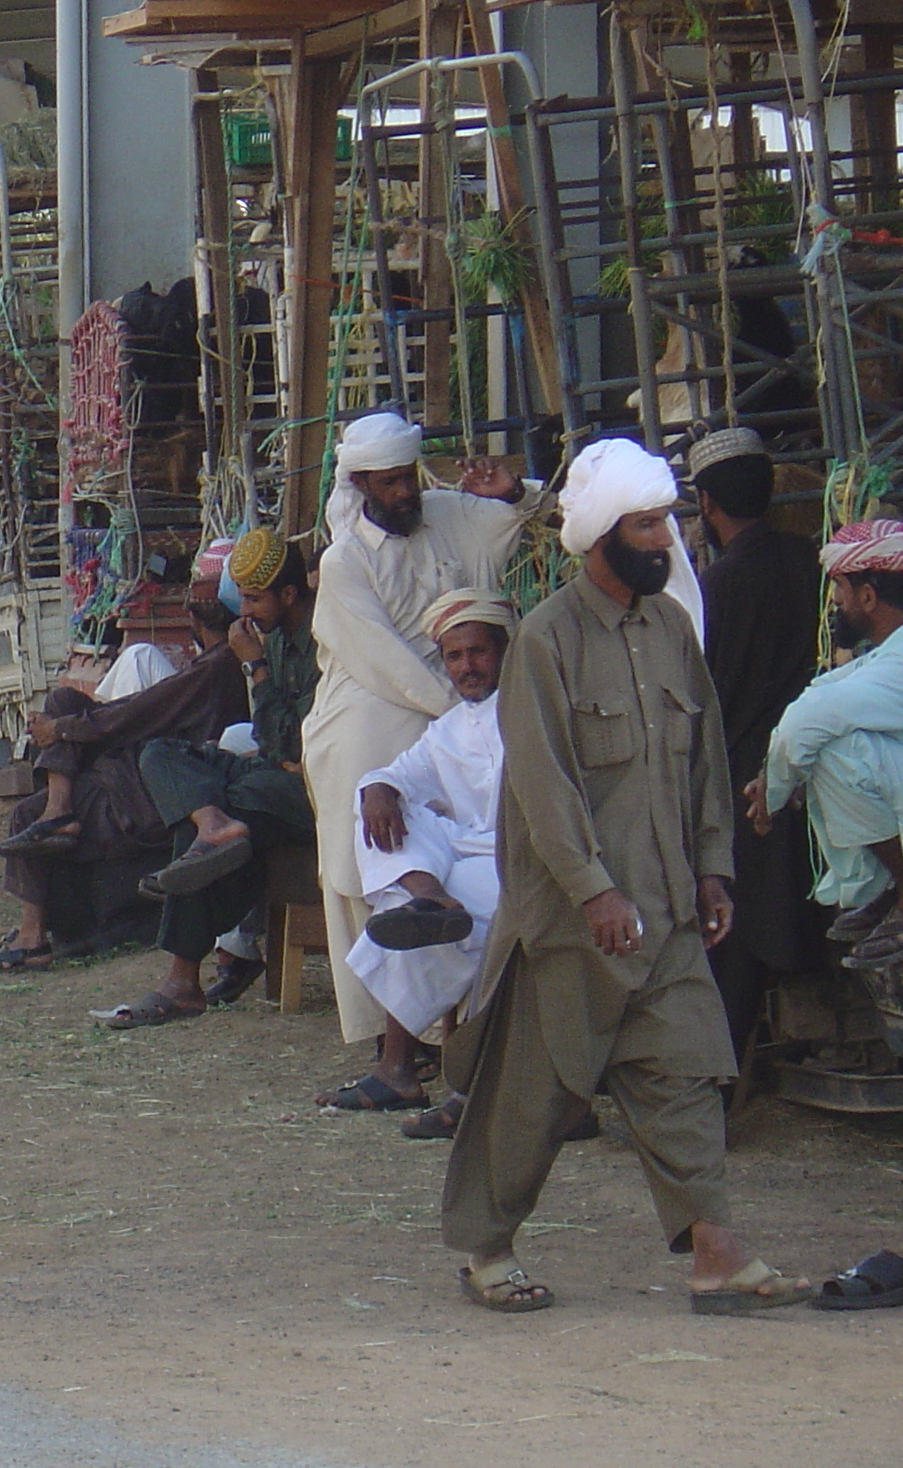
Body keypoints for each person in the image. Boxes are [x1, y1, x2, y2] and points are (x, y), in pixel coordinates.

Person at [442, 437, 811, 1317]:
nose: (665, 539)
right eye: (646, 525)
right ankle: (486, 1245)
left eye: (668, 522)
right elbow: (542, 782)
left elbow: (704, 769)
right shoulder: (545, 640)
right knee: (537, 1095)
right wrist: (595, 892)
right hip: (573, 920)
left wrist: (713, 870)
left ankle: (716, 1253)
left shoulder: (674, 630)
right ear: (603, 534)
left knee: (685, 1075)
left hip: (669, 909)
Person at [304, 412, 543, 1052]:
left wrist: (512, 491)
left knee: (461, 839)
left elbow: (532, 516)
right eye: (387, 483)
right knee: (370, 839)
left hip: (462, 686)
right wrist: (453, 708)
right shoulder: (344, 559)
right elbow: (379, 655)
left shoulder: (444, 512)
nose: (404, 492)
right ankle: (391, 1037)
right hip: (372, 696)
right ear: (360, 485)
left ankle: (449, 1032)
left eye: (407, 477)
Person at [91, 527, 318, 1028]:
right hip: (271, 773)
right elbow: (274, 741)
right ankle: (213, 820)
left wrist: (254, 667)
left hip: (315, 789)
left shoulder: (317, 642)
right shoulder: (275, 636)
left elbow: (294, 743)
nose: (247, 614)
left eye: (255, 600)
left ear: (287, 594)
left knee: (223, 805)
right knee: (162, 753)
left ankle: (182, 981)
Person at [318, 590, 514, 1121]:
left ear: (503, 651)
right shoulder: (447, 728)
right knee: (375, 796)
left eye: (477, 653)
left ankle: (399, 1072)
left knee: (409, 922)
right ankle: (426, 898)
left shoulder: (532, 711)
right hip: (455, 864)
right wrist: (379, 787)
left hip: (516, 860)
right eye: (454, 657)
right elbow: (399, 775)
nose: (466, 667)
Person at [0, 603, 247, 973]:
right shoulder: (218, 664)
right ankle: (58, 809)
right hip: (145, 765)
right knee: (63, 702)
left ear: (195, 623)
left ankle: (32, 937)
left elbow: (140, 711)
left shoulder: (217, 668)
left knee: (26, 811)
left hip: (154, 785)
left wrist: (62, 730)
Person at [692, 426, 832, 1057]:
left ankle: (722, 1073)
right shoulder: (809, 561)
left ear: (706, 504)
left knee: (739, 927)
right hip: (815, 762)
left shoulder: (717, 585)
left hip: (743, 770)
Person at [759, 518, 903, 969]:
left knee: (834, 752)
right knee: (822, 746)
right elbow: (819, 699)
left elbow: (806, 723)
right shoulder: (884, 654)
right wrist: (777, 773)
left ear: (866, 595)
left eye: (839, 590)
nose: (835, 602)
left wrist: (771, 796)